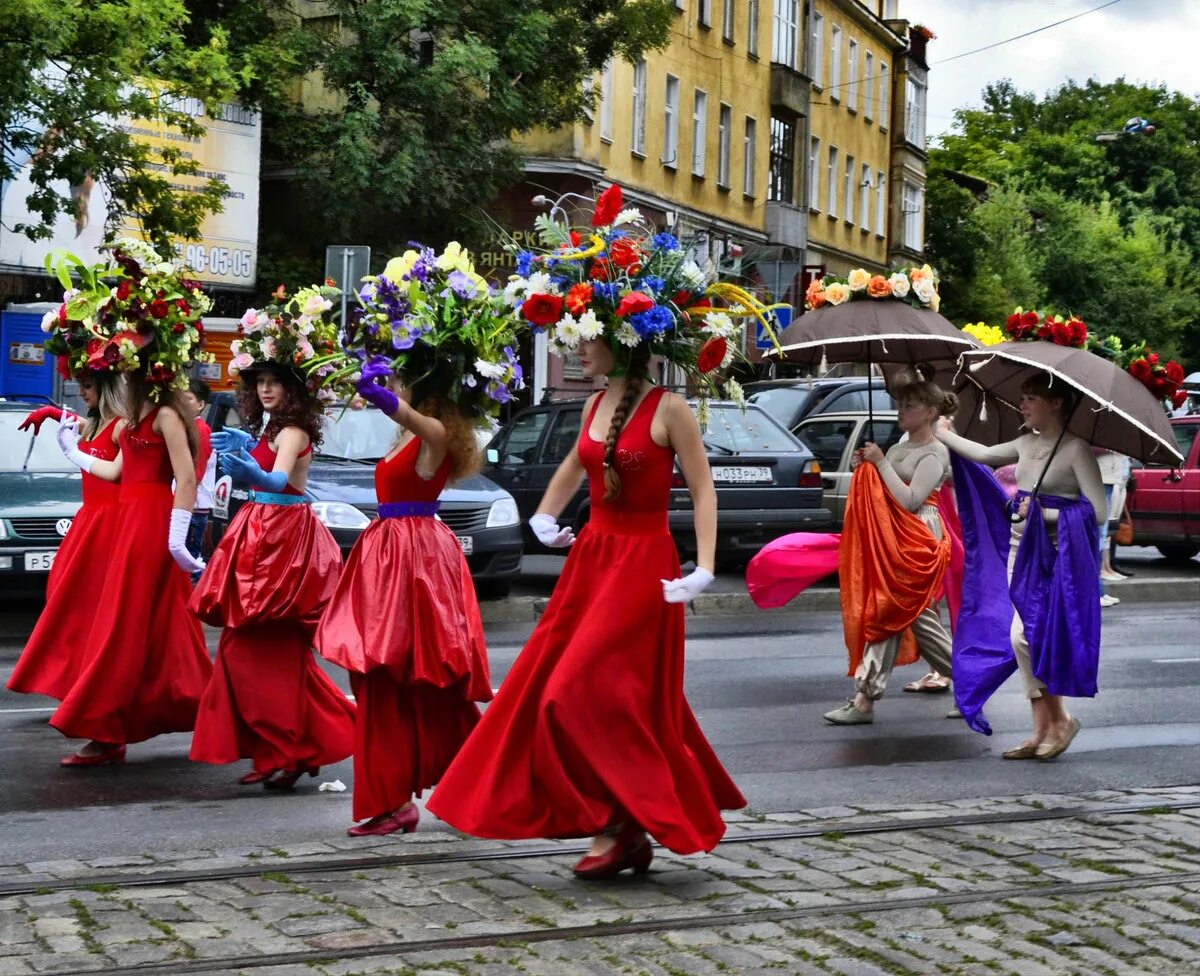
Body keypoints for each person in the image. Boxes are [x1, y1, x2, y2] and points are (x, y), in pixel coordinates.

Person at [428, 337, 746, 878]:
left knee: (576, 693)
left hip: (644, 567)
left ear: (623, 345)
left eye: (589, 340)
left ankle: (621, 823)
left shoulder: (669, 409)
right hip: (592, 561)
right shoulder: (594, 405)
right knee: (573, 693)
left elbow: (703, 490)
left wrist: (706, 568)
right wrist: (545, 519)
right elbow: (576, 465)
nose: (577, 350)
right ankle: (619, 826)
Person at [316, 358, 491, 836]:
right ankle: (447, 785)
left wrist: (379, 393)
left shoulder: (432, 431)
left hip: (413, 560)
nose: (392, 383)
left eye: (399, 375)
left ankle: (410, 798)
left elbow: (404, 415)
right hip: (394, 555)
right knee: (390, 679)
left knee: (398, 677)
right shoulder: (411, 434)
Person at [189, 357, 355, 790]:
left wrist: (253, 469)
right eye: (260, 382)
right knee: (254, 649)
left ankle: (288, 749)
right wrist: (249, 448)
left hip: (282, 539)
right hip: (261, 532)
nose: (265, 389)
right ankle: (294, 749)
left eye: (274, 383)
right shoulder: (271, 427)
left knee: (258, 649)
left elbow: (279, 480)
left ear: (292, 390)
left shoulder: (292, 430)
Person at [937, 372, 1106, 760]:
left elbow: (1095, 511)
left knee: (1026, 638)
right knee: (1024, 637)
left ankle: (1060, 720)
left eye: (1031, 398)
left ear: (1056, 403)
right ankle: (1041, 732)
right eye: (1024, 398)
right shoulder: (1025, 442)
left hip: (1060, 561)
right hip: (1022, 554)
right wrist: (944, 433)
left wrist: (1044, 514)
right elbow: (982, 454)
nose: (1023, 405)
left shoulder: (1076, 450)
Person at [51, 368, 212, 765]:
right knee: (156, 626)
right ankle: (209, 707)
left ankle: (105, 730)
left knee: (123, 625)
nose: (124, 380)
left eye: (130, 372)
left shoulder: (166, 416)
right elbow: (115, 472)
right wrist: (74, 452)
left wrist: (177, 534)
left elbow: (186, 478)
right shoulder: (135, 418)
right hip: (129, 522)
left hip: (152, 523)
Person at [823, 367, 957, 725]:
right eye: (900, 404)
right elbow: (882, 489)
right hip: (894, 534)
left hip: (918, 536)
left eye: (910, 406)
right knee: (909, 617)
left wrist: (880, 463)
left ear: (930, 412)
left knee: (893, 611)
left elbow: (912, 500)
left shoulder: (934, 453)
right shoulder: (901, 445)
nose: (900, 412)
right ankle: (972, 680)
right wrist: (864, 468)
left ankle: (864, 699)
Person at [8, 372, 125, 704]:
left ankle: (92, 679)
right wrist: (50, 414)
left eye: (88, 386)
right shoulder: (95, 424)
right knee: (63, 595)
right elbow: (75, 421)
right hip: (87, 521)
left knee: (90, 603)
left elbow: (122, 471)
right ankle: (74, 677)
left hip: (110, 524)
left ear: (106, 389)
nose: (82, 391)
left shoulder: (119, 425)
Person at [180, 379, 215, 581]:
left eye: (188, 399)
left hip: (194, 506)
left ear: (200, 405)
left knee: (190, 562)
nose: (182, 403)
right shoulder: (188, 427)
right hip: (189, 503)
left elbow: (196, 471)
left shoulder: (200, 430)